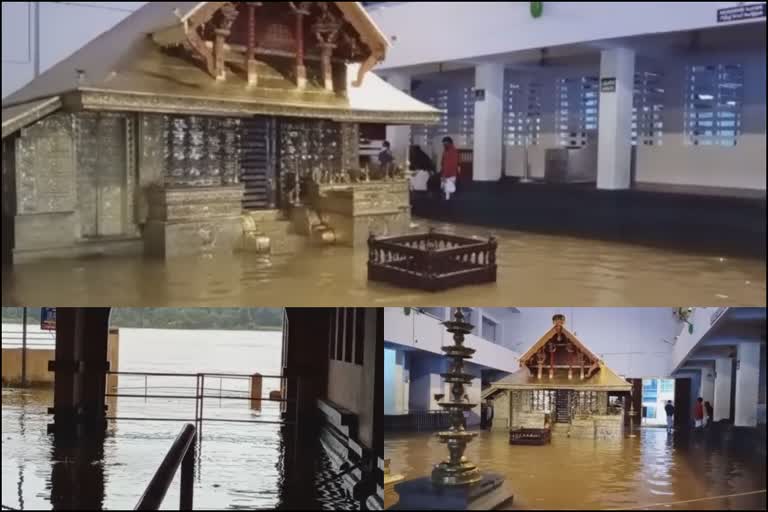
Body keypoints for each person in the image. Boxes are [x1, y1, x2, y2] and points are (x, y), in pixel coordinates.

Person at [440, 136, 460, 200]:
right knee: (447, 193)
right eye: (443, 144)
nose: (444, 145)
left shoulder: (452, 152)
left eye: (445, 143)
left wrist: (444, 176)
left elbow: (450, 165)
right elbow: (443, 163)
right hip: (448, 175)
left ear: (450, 143)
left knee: (448, 194)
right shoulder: (446, 151)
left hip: (449, 176)